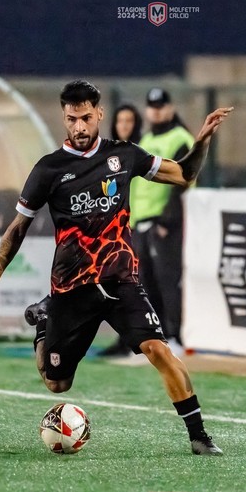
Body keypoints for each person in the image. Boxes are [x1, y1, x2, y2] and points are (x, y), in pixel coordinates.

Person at [0, 80, 233, 455]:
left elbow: (184, 175)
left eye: (86, 118)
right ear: (64, 117)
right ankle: (44, 324)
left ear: (99, 115)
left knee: (159, 351)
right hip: (72, 288)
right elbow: (18, 227)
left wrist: (202, 141)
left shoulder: (124, 155)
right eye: (72, 119)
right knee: (57, 384)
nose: (79, 127)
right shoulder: (48, 169)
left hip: (120, 281)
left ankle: (199, 436)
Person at [130, 88, 196, 351]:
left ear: (170, 108)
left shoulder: (181, 138)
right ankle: (157, 336)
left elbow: (184, 180)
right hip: (141, 223)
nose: (156, 110)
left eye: (161, 105)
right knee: (145, 282)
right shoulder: (145, 140)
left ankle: (176, 335)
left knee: (169, 280)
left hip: (164, 224)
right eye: (152, 106)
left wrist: (168, 221)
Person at [98, 103, 144, 357]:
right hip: (116, 231)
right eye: (121, 121)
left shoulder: (141, 152)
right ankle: (123, 339)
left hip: (139, 226)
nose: (124, 125)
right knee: (115, 286)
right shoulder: (109, 153)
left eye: (129, 120)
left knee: (138, 286)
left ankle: (141, 339)